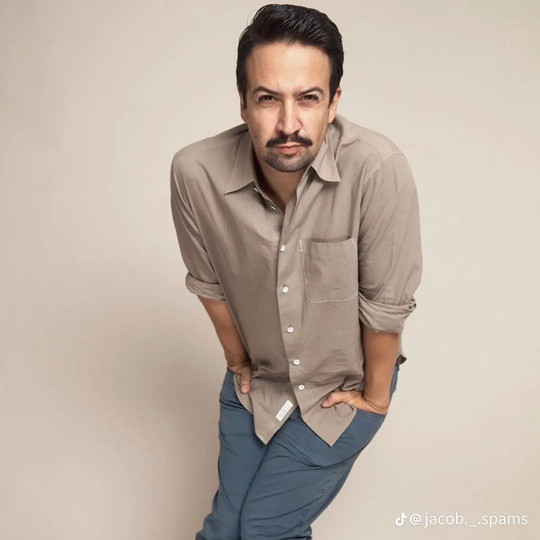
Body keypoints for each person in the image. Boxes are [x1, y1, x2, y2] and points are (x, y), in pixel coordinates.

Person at [170, 4, 423, 539]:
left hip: (343, 389)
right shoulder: (196, 172)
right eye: (268, 99)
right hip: (258, 383)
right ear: (243, 102)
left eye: (308, 98)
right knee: (225, 530)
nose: (289, 124)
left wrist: (376, 400)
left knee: (266, 528)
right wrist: (238, 361)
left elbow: (386, 307)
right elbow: (208, 283)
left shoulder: (377, 168)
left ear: (333, 102)